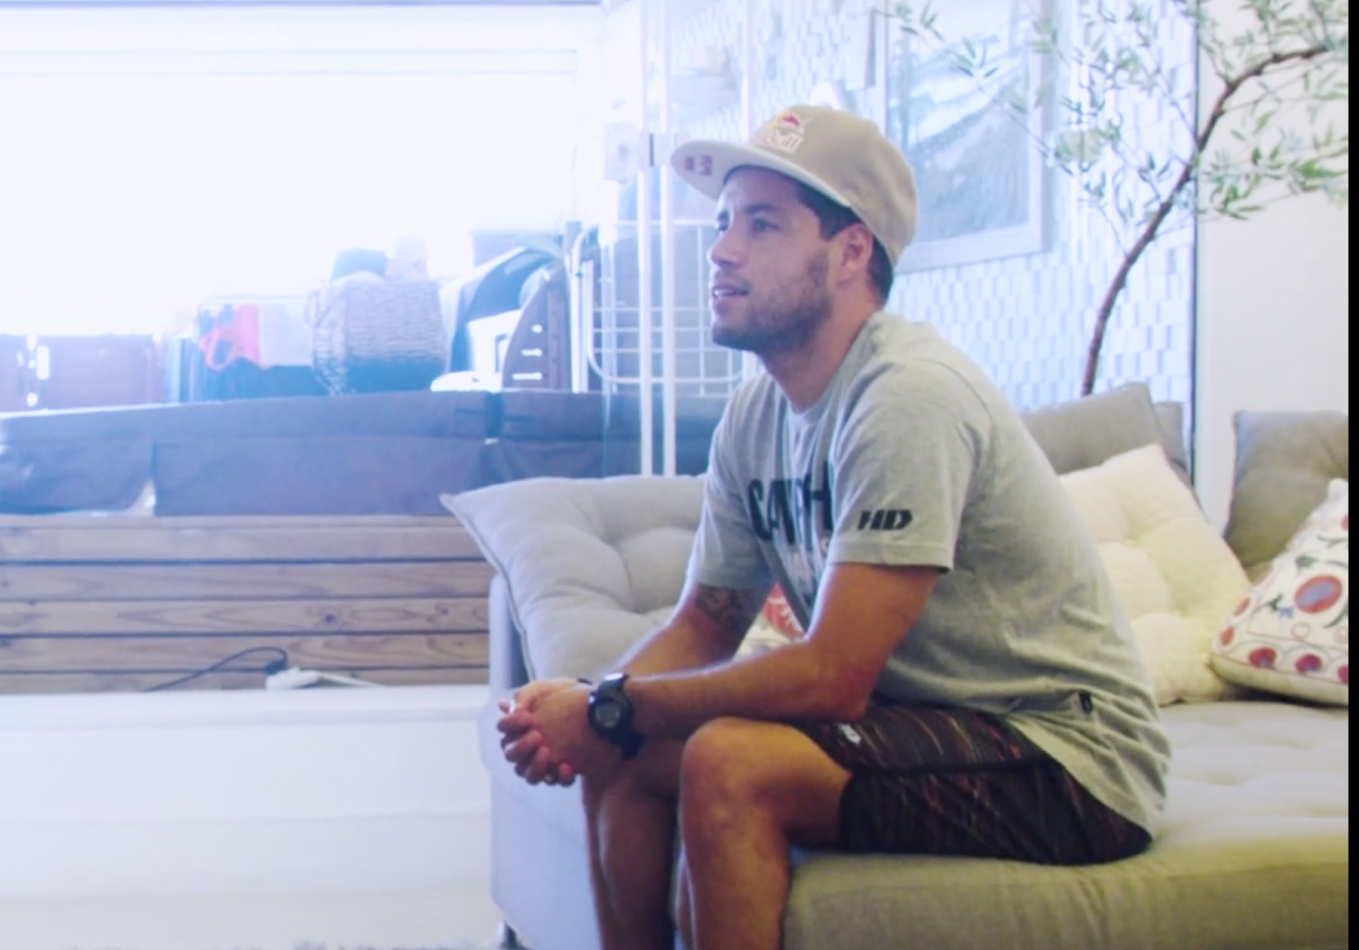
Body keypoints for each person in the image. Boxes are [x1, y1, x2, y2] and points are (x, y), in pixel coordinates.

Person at [493, 104, 1171, 950]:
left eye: (762, 224)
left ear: (851, 253)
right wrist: (592, 707)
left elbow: (833, 677)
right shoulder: (756, 415)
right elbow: (706, 623)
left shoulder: (908, 397)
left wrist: (610, 707)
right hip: (927, 725)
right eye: (724, 222)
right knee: (623, 753)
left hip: (1064, 752)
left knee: (728, 759)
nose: (721, 250)